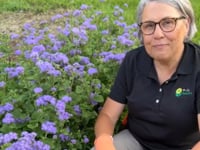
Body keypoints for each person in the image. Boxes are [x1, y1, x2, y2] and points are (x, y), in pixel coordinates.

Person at [92, 0, 200, 150]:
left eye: (168, 23)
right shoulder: (133, 61)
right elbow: (108, 115)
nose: (158, 34)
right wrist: (104, 142)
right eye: (149, 25)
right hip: (137, 141)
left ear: (186, 24)